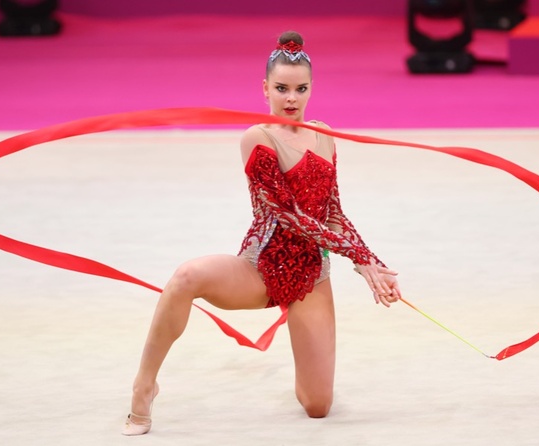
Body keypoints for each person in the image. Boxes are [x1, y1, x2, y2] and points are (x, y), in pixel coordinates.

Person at [122, 30, 402, 436]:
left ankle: (306, 359)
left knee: (318, 406)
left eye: (301, 89)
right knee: (185, 277)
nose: (291, 99)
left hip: (311, 275)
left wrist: (371, 264)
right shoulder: (258, 138)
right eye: (282, 88)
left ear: (311, 89)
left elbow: (333, 212)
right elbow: (288, 215)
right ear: (265, 88)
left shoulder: (324, 135)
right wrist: (357, 256)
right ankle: (144, 385)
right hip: (261, 268)